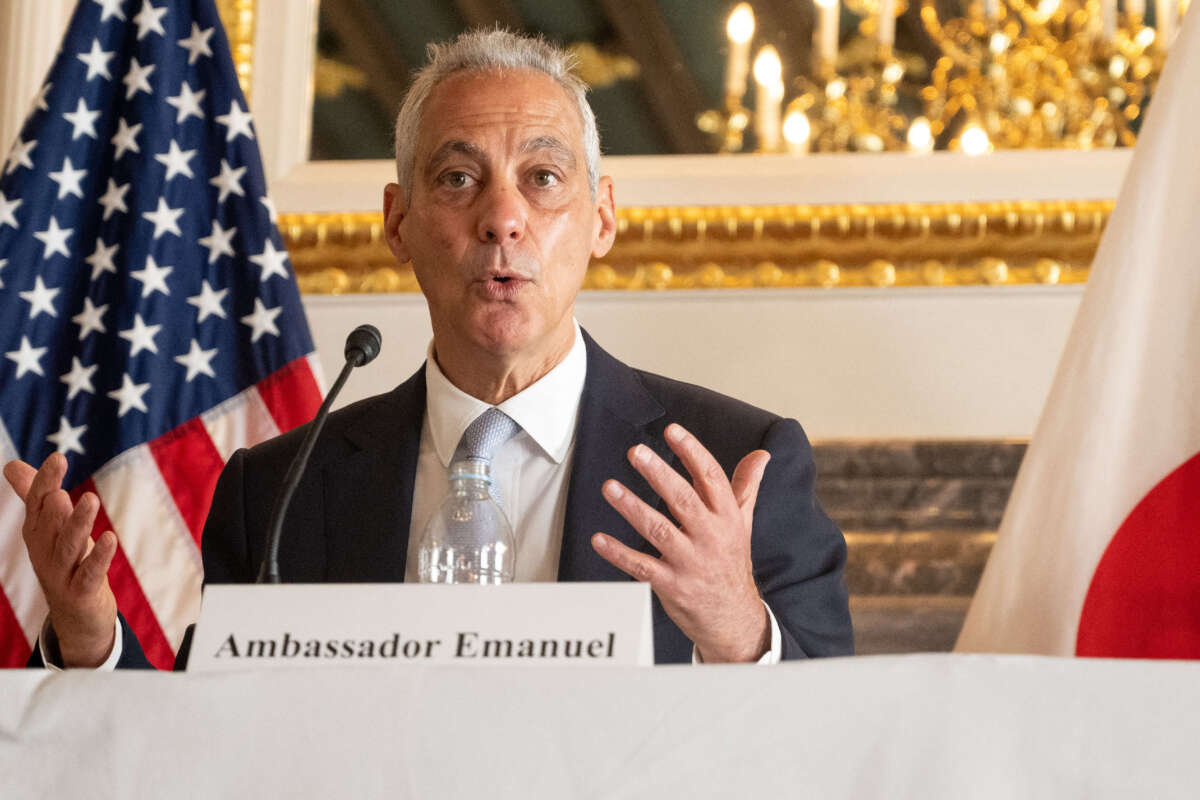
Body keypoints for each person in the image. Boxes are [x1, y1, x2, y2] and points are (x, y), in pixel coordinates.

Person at [5, 29, 852, 668]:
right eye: (456, 178)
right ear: (397, 222)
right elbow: (216, 740)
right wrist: (86, 636)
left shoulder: (736, 465)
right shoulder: (279, 491)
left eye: (544, 178)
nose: (502, 217)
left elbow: (845, 744)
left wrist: (738, 626)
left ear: (602, 219)